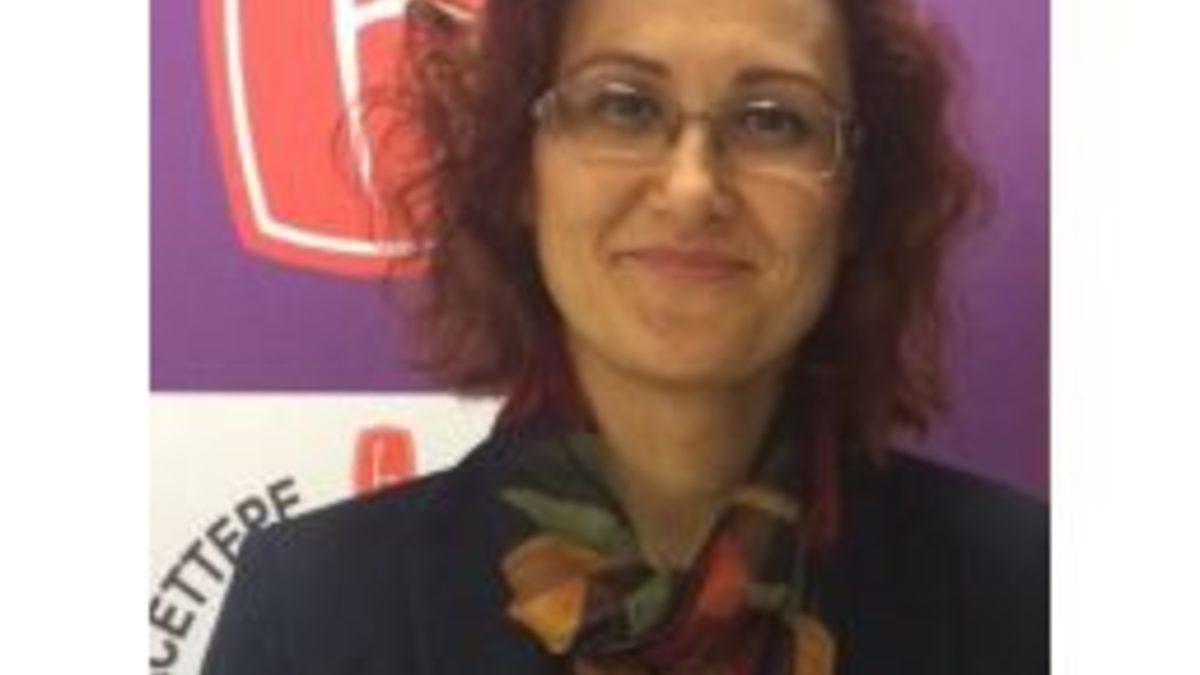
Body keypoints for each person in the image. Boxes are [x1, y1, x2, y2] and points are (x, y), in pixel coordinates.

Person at [201, 0, 1047, 673]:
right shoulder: (313, 614)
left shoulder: (1030, 598)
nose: (691, 188)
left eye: (773, 120)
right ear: (521, 170)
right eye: (624, 106)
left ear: (857, 200)